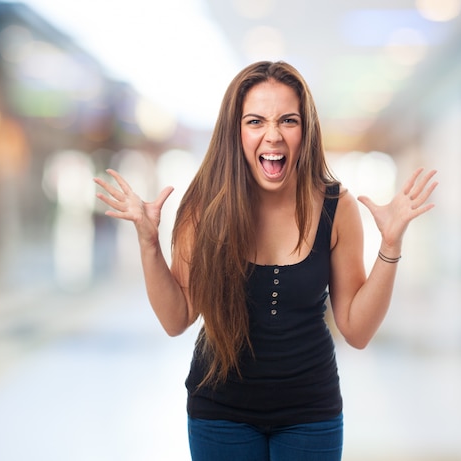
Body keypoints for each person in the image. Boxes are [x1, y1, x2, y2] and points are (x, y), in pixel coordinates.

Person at [94, 60, 437, 461]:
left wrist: (391, 245)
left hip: (311, 414)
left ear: (305, 130)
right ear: (235, 131)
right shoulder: (205, 205)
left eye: (288, 120)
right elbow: (177, 318)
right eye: (255, 121)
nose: (272, 136)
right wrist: (149, 242)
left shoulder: (335, 205)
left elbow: (357, 331)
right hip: (219, 413)